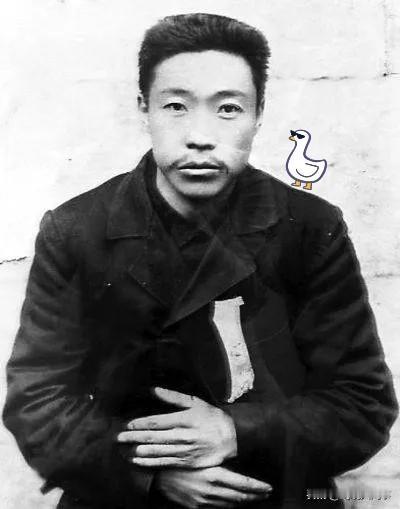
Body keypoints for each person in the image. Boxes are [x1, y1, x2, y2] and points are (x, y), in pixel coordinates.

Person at [3, 13, 397, 509]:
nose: (200, 136)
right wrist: (151, 475)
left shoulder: (310, 227)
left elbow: (362, 404)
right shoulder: (75, 229)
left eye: (228, 109)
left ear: (259, 113)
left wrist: (236, 432)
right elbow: (36, 402)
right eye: (176, 106)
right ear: (143, 108)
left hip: (268, 493)